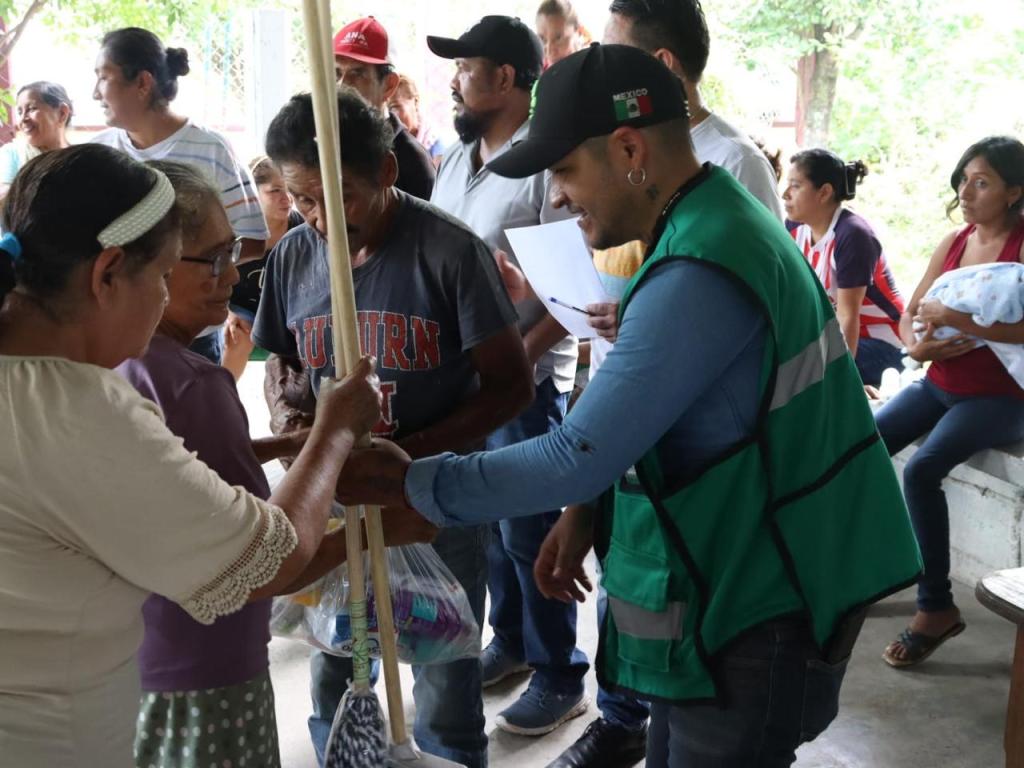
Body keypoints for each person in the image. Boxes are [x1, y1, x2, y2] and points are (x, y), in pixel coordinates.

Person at [338, 44, 922, 768]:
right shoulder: (703, 224)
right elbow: (645, 414)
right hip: (731, 581)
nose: (555, 197)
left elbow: (572, 452)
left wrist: (411, 482)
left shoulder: (705, 264)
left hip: (764, 600)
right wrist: (585, 513)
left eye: (564, 171)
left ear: (628, 148)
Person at [0, 143, 384, 766]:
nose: (230, 277)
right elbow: (268, 559)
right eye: (163, 273)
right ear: (107, 274)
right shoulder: (77, 410)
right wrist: (336, 429)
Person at [118, 160, 433, 768]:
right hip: (207, 672)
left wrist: (289, 445)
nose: (231, 274)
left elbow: (182, 470)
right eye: (209, 260)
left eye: (232, 250)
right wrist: (341, 443)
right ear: (144, 265)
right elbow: (260, 564)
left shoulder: (123, 365)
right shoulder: (190, 383)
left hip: (139, 660)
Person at [252, 87, 533, 768]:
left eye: (338, 197)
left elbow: (511, 386)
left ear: (386, 172)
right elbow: (282, 362)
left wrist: (406, 456)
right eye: (303, 200)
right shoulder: (295, 255)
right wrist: (293, 417)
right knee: (335, 665)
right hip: (334, 499)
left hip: (435, 501)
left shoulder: (450, 251)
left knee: (441, 676)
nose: (321, 220)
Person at [427, 14, 589, 737]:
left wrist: (518, 358)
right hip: (465, 378)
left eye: (466, 66)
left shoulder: (543, 163)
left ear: (506, 79)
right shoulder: (459, 156)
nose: (454, 78)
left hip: (521, 382)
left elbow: (573, 290)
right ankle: (515, 645)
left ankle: (561, 672)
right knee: (488, 529)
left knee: (531, 530)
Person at [876, 136, 1024, 668]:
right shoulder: (955, 241)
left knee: (921, 471)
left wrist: (957, 321)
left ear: (1014, 192)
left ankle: (934, 607)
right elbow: (912, 309)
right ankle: (874, 566)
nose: (966, 191)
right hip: (939, 379)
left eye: (981, 182)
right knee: (864, 446)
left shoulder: (1022, 245)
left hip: (998, 395)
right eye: (963, 179)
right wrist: (917, 344)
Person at [90, 26, 268, 364]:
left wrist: (182, 270)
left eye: (103, 78)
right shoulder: (99, 154)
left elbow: (254, 240)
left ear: (143, 83)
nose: (95, 94)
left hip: (191, 339)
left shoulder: (209, 149)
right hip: (117, 337)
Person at [603, 0, 783, 220]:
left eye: (613, 56)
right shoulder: (627, 150)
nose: (604, 71)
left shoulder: (737, 162)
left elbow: (763, 253)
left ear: (662, 64)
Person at [783, 150, 906, 387]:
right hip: (833, 335)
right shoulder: (795, 226)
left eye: (795, 186)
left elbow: (848, 316)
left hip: (882, 343)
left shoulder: (853, 235)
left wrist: (841, 383)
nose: (785, 194)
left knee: (796, 376)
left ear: (825, 192)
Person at [333, 16, 436, 200]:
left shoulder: (411, 163)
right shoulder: (323, 145)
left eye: (357, 73)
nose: (342, 85)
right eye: (337, 73)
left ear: (389, 85)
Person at [222, 156, 305, 380]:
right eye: (275, 190)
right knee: (237, 337)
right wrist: (227, 313)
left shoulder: (303, 229)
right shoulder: (237, 231)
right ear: (253, 193)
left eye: (290, 189)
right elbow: (215, 276)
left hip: (288, 310)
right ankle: (223, 399)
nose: (286, 198)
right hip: (244, 308)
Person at [0, 81, 73, 200]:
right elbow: (4, 198)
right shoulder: (13, 153)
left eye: (32, 108)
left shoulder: (79, 158)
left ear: (62, 113)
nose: (23, 119)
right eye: (19, 112)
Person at [390, 73, 445, 164]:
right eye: (385, 108)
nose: (389, 115)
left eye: (395, 107)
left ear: (415, 102)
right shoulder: (388, 145)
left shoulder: (436, 147)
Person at [535, 0, 590, 68]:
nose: (549, 50)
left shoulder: (595, 71)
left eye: (558, 38)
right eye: (543, 39)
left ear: (579, 32)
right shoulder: (541, 73)